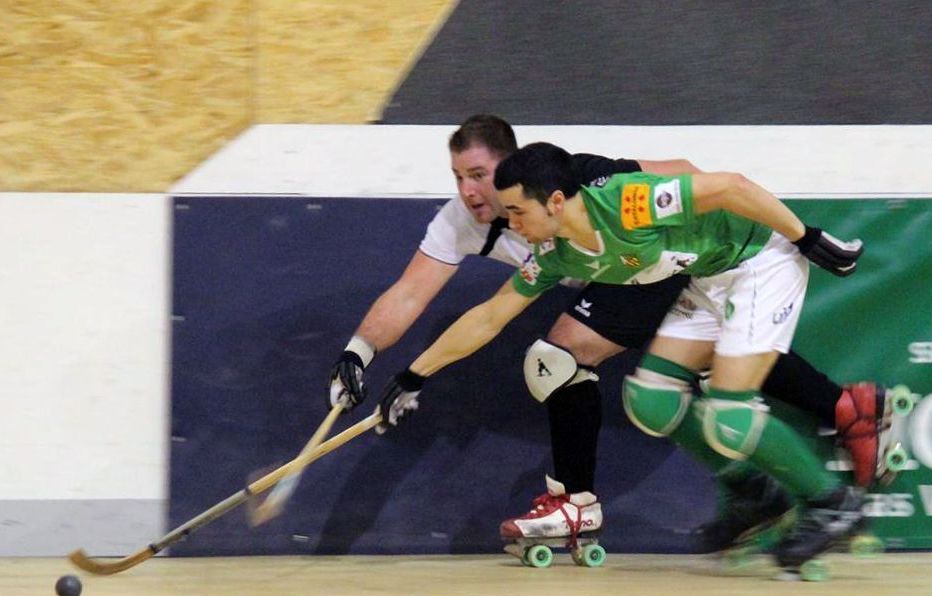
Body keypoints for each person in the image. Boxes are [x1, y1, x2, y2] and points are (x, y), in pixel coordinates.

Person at [328, 116, 883, 552]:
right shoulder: (546, 249)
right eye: (460, 178)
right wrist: (409, 372)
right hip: (676, 272)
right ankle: (779, 466)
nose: (485, 203)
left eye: (485, 181)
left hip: (743, 258)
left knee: (708, 402)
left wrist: (808, 237)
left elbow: (721, 184)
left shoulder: (620, 196)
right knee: (652, 398)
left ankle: (828, 502)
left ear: (547, 195)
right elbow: (489, 315)